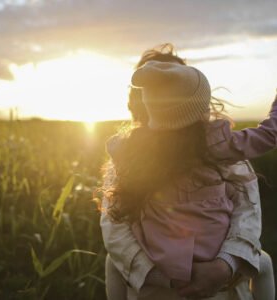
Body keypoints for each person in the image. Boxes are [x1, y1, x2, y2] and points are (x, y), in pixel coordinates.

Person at [100, 44, 275, 299]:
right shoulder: (221, 147)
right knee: (265, 263)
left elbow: (247, 211)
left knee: (112, 264)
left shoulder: (130, 152)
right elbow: (116, 229)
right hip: (158, 282)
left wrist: (223, 265)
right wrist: (154, 276)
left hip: (209, 278)